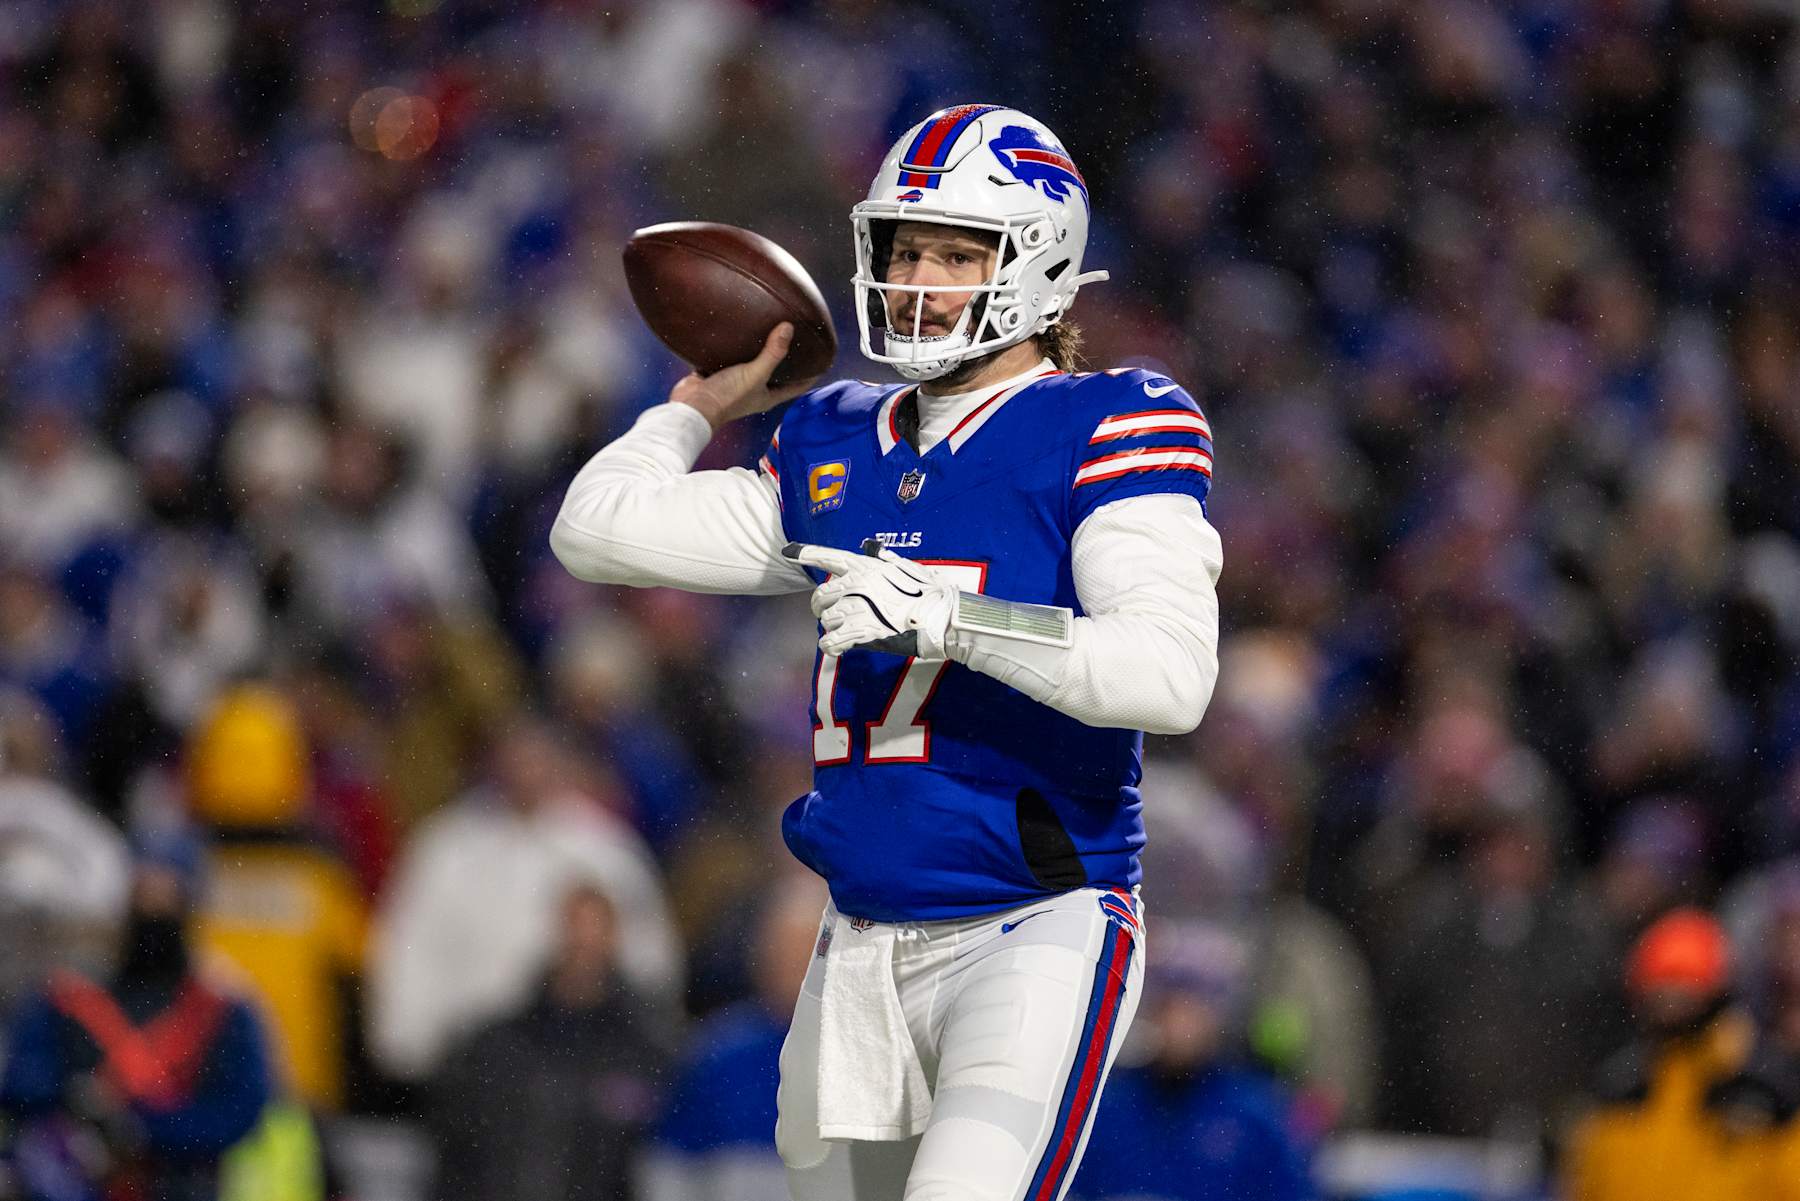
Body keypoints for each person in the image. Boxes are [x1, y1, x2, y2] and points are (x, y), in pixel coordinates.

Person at [552, 103, 1223, 1201]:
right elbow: (595, 530)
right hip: (857, 937)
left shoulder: (1108, 421)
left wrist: (953, 621)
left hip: (1032, 923)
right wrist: (691, 407)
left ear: (1037, 267)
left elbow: (1169, 675)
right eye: (907, 248)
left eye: (957, 253)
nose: (919, 276)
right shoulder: (835, 437)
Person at [1, 829, 274, 1201]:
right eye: (143, 893)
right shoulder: (68, 996)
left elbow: (240, 1111)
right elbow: (20, 1082)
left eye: (167, 895)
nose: (153, 908)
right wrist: (76, 1104)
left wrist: (143, 1128)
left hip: (177, 1184)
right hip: (76, 1182)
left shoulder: (223, 1007)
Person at [425, 881, 672, 1201]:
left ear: (615, 939)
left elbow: (661, 1171)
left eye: (596, 931)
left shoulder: (650, 1055)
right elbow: (455, 1160)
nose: (584, 944)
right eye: (575, 929)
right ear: (555, 934)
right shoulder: (493, 1048)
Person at [1563, 908, 1800, 1201]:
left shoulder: (1765, 1085)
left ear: (1716, 992)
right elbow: (1587, 1184)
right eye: (1659, 992)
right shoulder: (1621, 1085)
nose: (1670, 1004)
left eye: (1685, 991)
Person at [1069, 922, 1315, 1201]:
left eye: (1194, 1006)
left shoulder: (1255, 1116)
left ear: (1217, 1016)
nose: (1180, 1022)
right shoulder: (1106, 1108)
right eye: (1171, 1004)